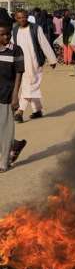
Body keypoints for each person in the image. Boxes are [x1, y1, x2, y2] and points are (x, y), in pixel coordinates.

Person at [12, 10, 57, 122]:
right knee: (30, 85)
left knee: (29, 85)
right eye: (19, 18)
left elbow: (44, 43)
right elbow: (11, 46)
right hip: (20, 62)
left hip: (34, 62)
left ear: (27, 17)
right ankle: (37, 110)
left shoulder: (36, 28)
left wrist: (52, 59)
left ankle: (20, 111)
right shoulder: (15, 30)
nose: (22, 19)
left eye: (24, 17)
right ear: (16, 19)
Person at [0, 23, 27, 172]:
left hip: (6, 95)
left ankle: (4, 162)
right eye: (2, 35)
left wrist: (15, 95)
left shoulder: (15, 50)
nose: (6, 37)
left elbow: (19, 73)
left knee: (5, 130)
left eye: (8, 34)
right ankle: (14, 145)